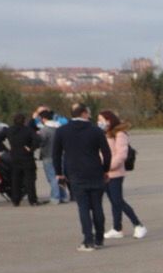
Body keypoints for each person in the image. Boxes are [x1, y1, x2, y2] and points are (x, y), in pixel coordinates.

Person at [52, 103, 111, 251]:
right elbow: (107, 153)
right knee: (97, 206)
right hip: (95, 172)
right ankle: (99, 238)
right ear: (84, 113)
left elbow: (56, 154)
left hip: (75, 173)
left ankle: (88, 240)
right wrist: (105, 169)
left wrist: (59, 173)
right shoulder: (96, 131)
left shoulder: (62, 131)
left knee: (83, 207)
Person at [99, 110, 146, 240]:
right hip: (105, 173)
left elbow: (121, 155)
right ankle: (117, 228)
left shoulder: (119, 134)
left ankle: (138, 224)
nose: (99, 123)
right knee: (114, 202)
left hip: (115, 173)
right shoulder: (104, 134)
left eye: (101, 120)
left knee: (118, 201)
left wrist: (107, 166)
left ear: (109, 120)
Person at [2, 108, 39, 206]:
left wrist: (5, 148)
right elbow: (37, 140)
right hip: (27, 157)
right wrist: (31, 148)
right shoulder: (28, 130)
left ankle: (15, 200)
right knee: (29, 179)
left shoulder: (9, 130)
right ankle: (33, 200)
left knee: (15, 179)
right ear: (24, 121)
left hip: (14, 156)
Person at [32, 108, 61, 204]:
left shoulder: (44, 130)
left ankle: (55, 197)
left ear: (43, 119)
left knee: (51, 177)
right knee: (60, 175)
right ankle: (63, 196)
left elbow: (41, 142)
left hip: (48, 154)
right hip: (60, 155)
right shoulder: (59, 128)